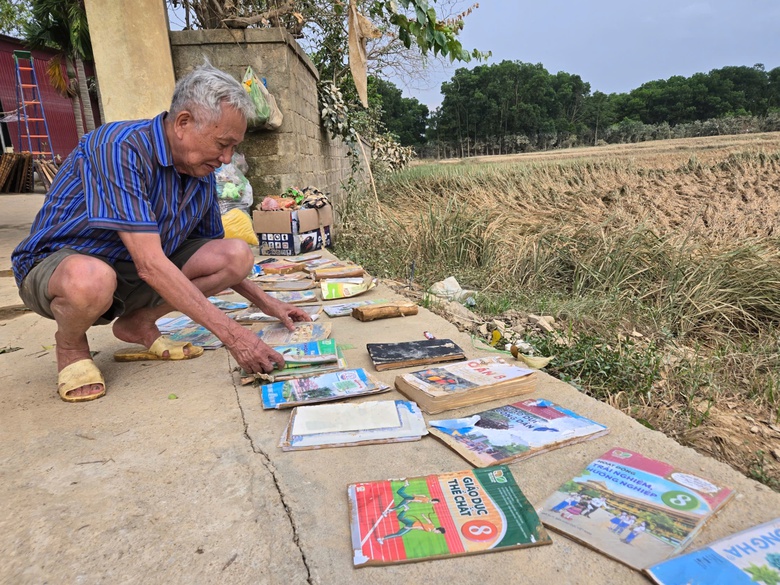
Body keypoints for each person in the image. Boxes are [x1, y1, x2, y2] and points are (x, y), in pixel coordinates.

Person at [11, 63, 311, 403]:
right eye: (222, 144)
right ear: (183, 123)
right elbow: (151, 265)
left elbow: (211, 249)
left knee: (236, 255)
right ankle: (70, 346)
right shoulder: (119, 147)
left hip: (133, 271)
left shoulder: (200, 172)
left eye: (233, 148)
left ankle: (140, 322)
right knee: (90, 278)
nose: (227, 159)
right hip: (61, 268)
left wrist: (268, 303)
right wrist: (235, 336)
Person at [376, 511, 445, 545]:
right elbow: (420, 527)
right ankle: (381, 539)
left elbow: (428, 520)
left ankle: (405, 509)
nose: (437, 533)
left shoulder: (432, 525)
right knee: (399, 534)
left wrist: (423, 516)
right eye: (438, 532)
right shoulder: (429, 530)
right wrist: (409, 528)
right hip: (412, 526)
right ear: (438, 530)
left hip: (413, 522)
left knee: (400, 518)